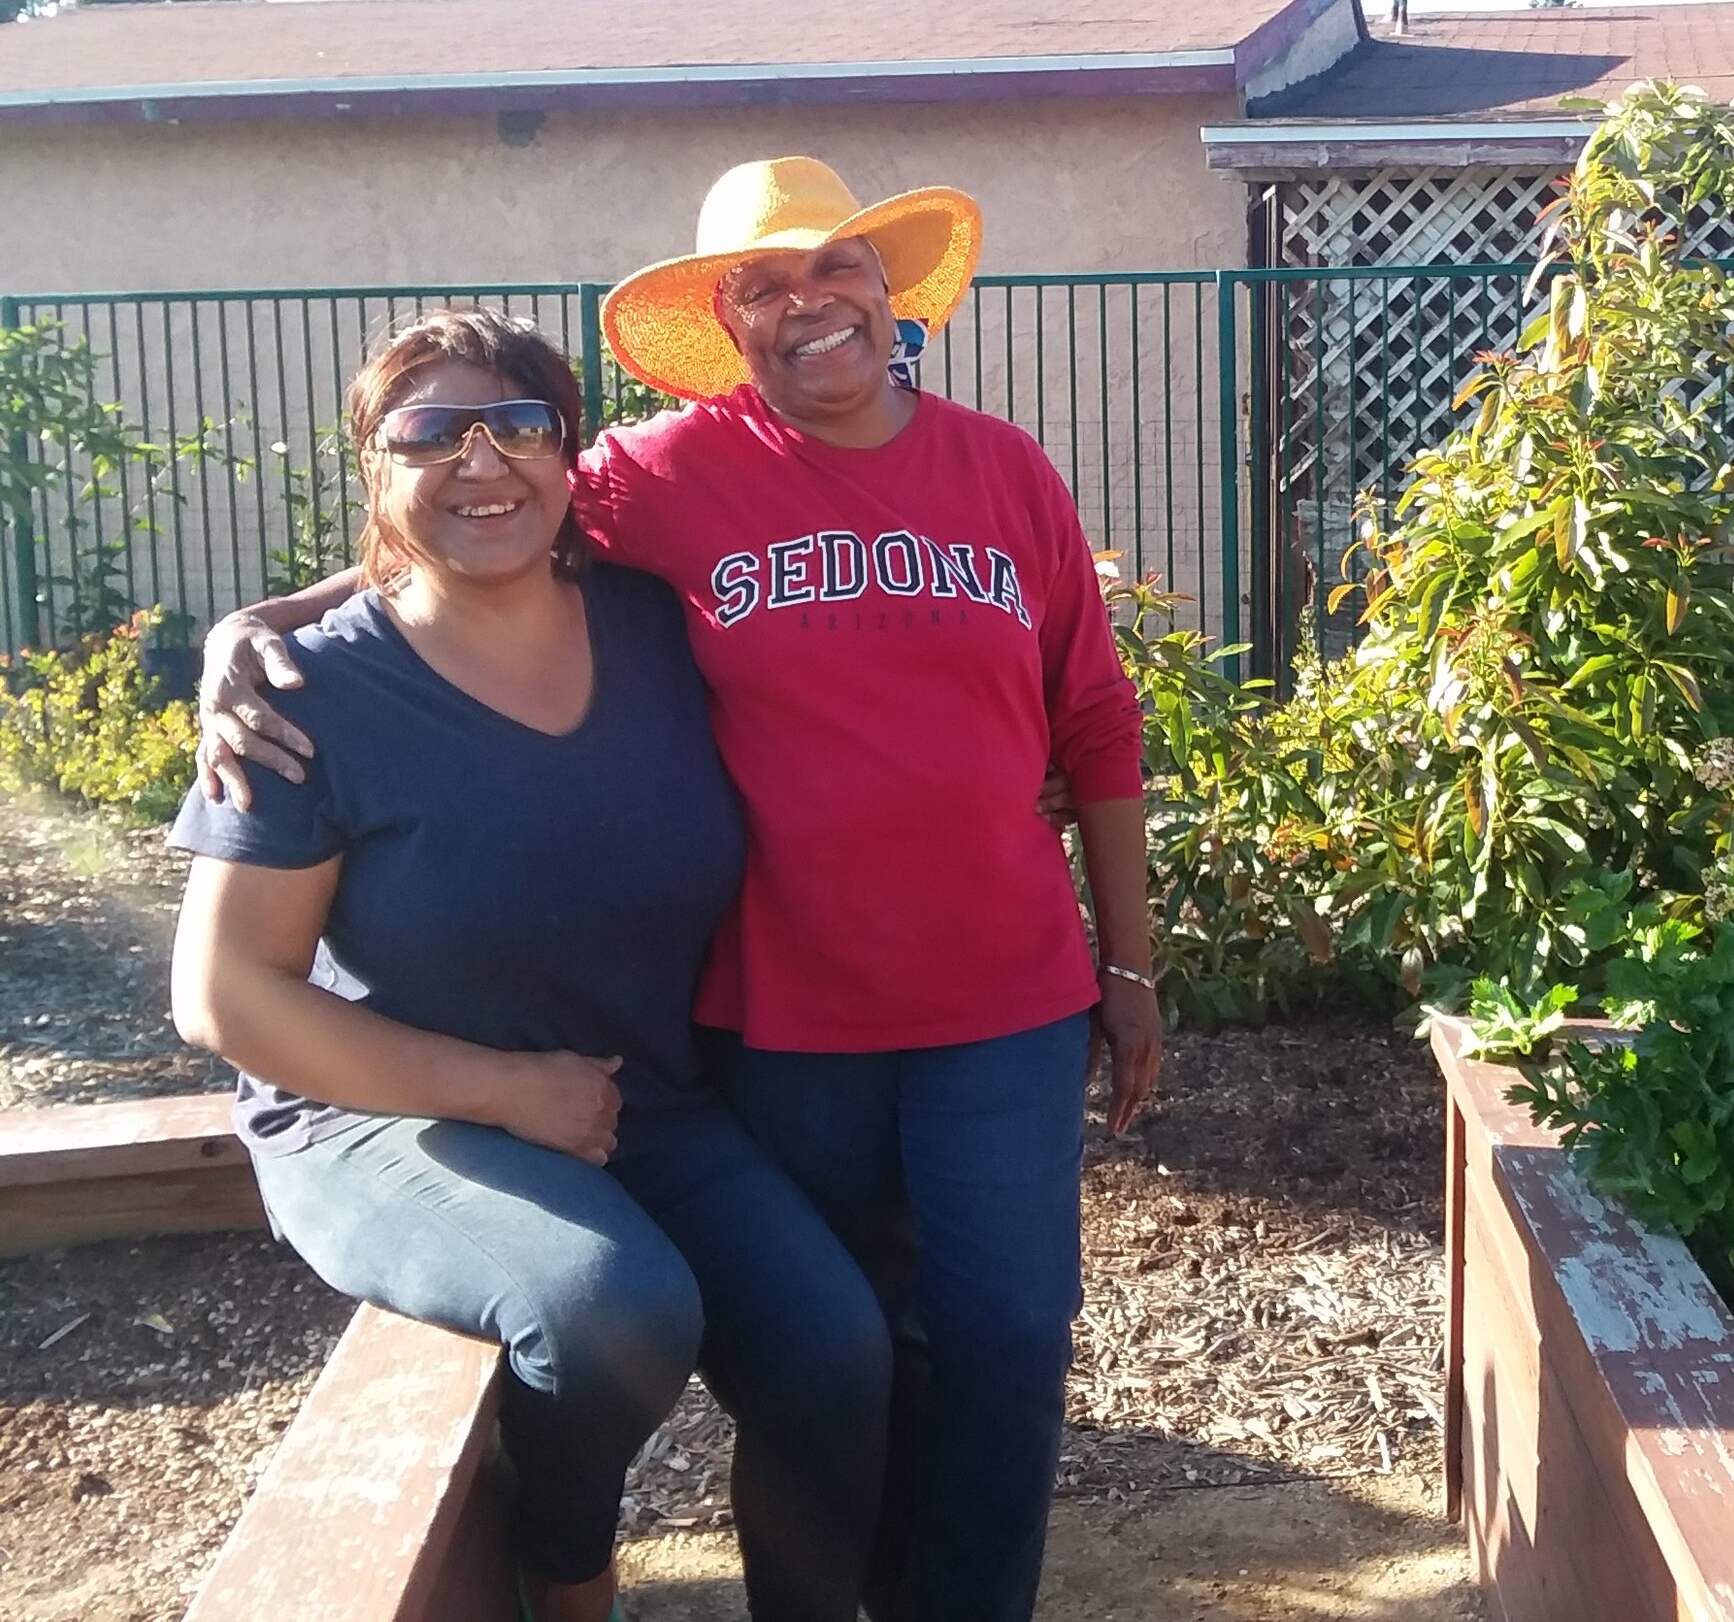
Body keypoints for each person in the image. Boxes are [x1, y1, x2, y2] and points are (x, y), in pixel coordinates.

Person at [195, 159, 1159, 1622]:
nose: (808, 304)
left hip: (999, 990)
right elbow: (469, 523)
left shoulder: (1002, 470)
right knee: (854, 1341)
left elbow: (1092, 714)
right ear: (728, 323)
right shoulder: (668, 474)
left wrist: (1130, 965)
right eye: (763, 285)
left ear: (887, 290)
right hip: (792, 1009)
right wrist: (256, 625)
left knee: (1008, 1338)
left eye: (835, 267)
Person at [170, 311, 894, 1622]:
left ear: (569, 457)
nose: (481, 459)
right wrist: (503, 1090)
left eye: (518, 425)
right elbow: (222, 994)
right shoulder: (305, 696)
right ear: (375, 465)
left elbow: (846, 679)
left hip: (637, 1094)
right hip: (381, 1114)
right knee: (613, 1309)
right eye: (430, 432)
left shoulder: (657, 626)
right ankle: (564, 1572)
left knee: (833, 1353)